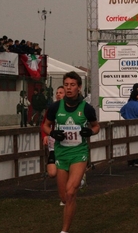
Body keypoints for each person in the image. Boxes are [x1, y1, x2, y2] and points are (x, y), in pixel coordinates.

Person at [42, 71, 100, 233]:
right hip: (62, 154)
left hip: (78, 153)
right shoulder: (55, 107)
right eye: (66, 84)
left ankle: (64, 231)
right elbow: (46, 125)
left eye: (72, 85)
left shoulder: (86, 109)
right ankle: (78, 183)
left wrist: (90, 132)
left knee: (70, 193)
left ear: (79, 88)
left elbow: (96, 126)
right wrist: (52, 133)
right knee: (64, 197)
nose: (69, 88)